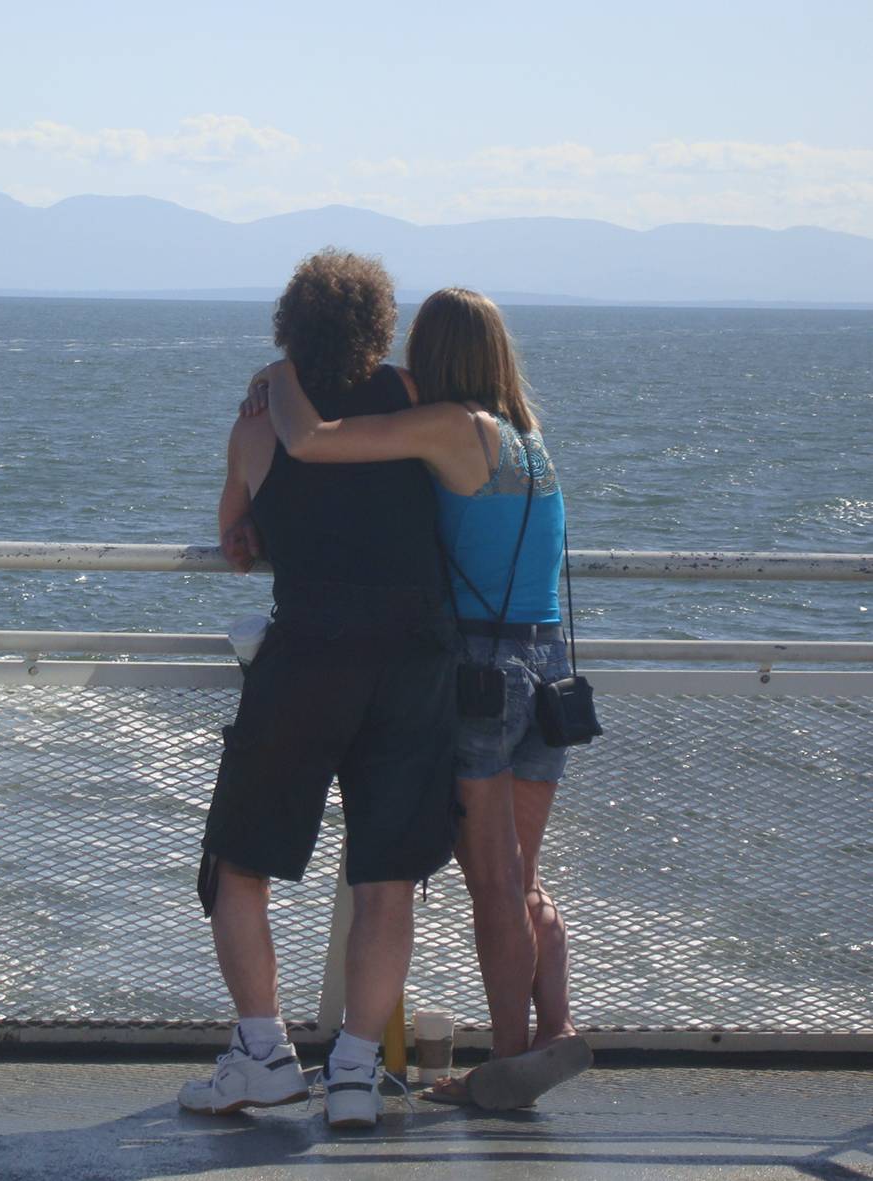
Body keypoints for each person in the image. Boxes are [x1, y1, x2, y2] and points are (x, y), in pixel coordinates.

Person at [241, 286, 593, 1110]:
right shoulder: (527, 440)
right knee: (526, 876)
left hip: (481, 672)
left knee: (494, 884)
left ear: (435, 355)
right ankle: (558, 1030)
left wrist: (281, 371)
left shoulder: (455, 427)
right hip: (549, 667)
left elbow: (314, 440)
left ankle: (507, 1063)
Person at [183, 250, 459, 1131]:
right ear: (380, 326)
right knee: (386, 874)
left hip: (307, 658)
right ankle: (352, 1072)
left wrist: (263, 523)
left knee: (239, 860)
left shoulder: (261, 424)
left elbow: (233, 532)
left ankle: (262, 1054)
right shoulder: (417, 401)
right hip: (413, 663)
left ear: (285, 329)